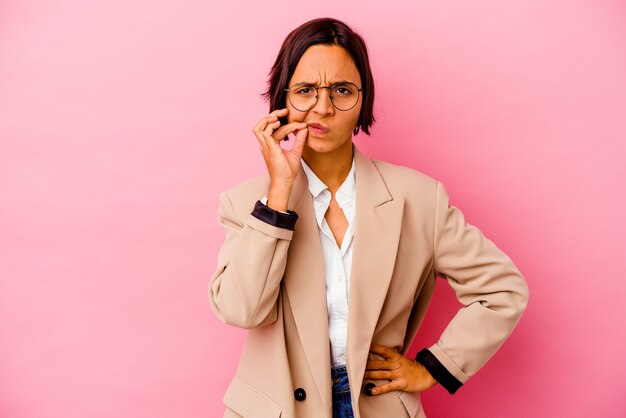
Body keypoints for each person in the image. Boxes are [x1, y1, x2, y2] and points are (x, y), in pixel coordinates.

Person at [209, 17, 529, 418]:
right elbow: (242, 310)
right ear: (283, 99)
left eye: (341, 90)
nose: (323, 108)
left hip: (377, 405)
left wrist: (434, 368)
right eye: (306, 91)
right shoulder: (245, 205)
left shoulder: (418, 198)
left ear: (363, 99)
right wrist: (278, 196)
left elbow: (502, 289)